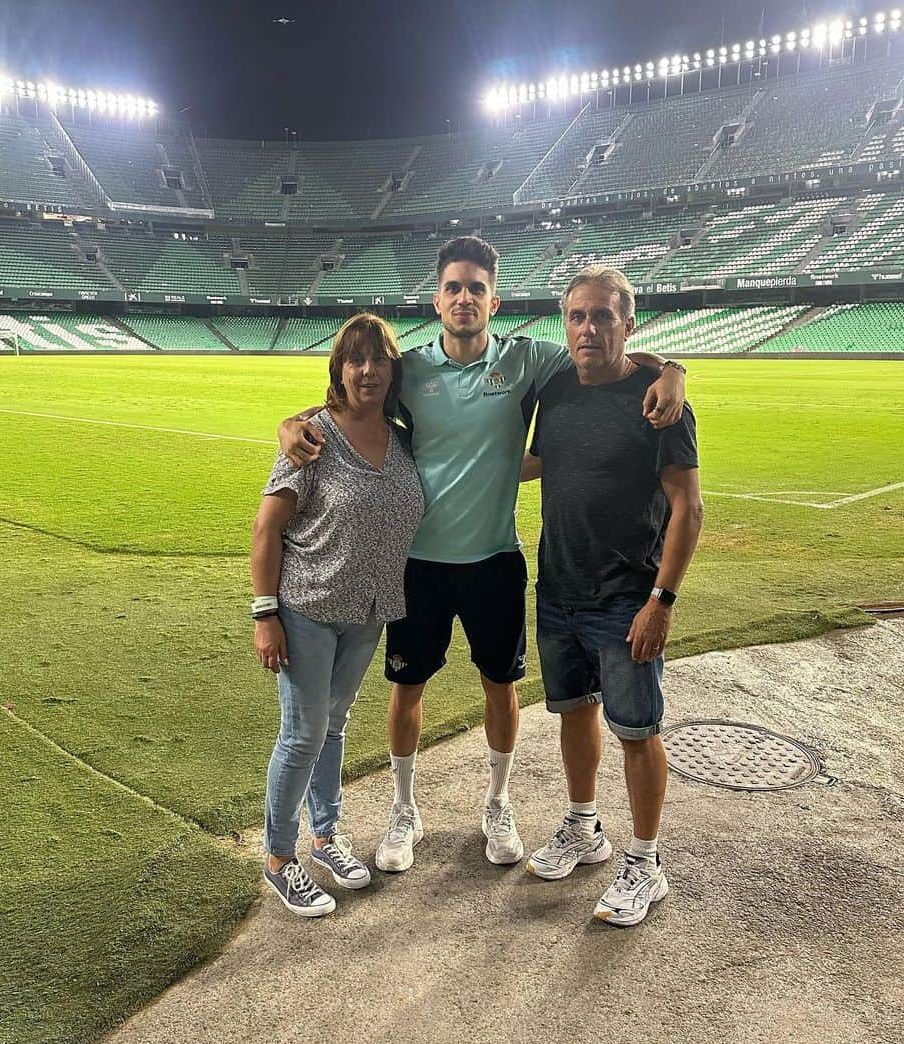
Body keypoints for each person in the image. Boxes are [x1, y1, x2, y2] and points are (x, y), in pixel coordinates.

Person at [279, 236, 686, 875]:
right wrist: (290, 422)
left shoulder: (530, 360)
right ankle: (403, 810)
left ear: (494, 299)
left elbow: (611, 357)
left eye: (476, 287)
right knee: (406, 686)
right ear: (437, 300)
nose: (464, 298)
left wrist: (673, 370)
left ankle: (497, 804)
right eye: (452, 288)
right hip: (419, 562)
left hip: (496, 558)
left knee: (503, 686)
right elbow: (346, 399)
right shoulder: (409, 369)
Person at [520, 265, 703, 927]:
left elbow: (690, 507)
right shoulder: (558, 386)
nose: (589, 328)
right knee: (573, 713)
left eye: (603, 316)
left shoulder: (659, 401)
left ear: (628, 324)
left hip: (629, 597)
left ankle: (646, 863)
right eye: (577, 316)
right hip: (558, 588)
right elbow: (543, 461)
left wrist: (663, 600)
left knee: (636, 732)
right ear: (564, 325)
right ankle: (583, 828)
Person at [252, 313, 424, 917]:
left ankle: (325, 835)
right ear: (339, 369)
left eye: (379, 358)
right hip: (306, 606)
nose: (368, 369)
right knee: (301, 734)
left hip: (369, 608)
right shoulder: (312, 436)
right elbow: (266, 527)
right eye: (356, 359)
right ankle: (279, 859)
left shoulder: (404, 438)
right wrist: (264, 613)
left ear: (392, 369)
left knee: (333, 724)